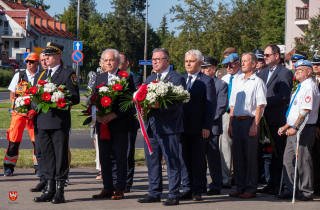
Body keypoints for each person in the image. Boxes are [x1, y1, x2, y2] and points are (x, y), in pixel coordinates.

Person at [137, 48, 186, 206]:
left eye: (158, 59)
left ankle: (173, 194)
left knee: (171, 161)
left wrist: (158, 106)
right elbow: (144, 97)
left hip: (169, 127)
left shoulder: (177, 78)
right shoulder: (150, 77)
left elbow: (178, 103)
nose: (155, 62)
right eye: (153, 59)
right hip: (151, 127)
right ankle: (154, 192)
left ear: (167, 61)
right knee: (152, 161)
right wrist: (143, 106)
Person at [33, 42, 80, 204]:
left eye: (50, 55)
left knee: (60, 156)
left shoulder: (68, 74)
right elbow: (33, 96)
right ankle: (49, 189)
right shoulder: (41, 75)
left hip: (59, 121)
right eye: (45, 55)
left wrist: (57, 98)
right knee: (46, 156)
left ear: (59, 56)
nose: (46, 58)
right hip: (42, 122)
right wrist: (35, 105)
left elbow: (74, 97)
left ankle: (60, 192)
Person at [91, 49, 135, 200]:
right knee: (104, 157)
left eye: (111, 60)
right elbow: (93, 99)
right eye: (106, 60)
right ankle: (107, 187)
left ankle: (119, 188)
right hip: (102, 124)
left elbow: (131, 104)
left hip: (120, 124)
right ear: (102, 62)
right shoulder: (99, 78)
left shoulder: (126, 78)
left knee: (120, 157)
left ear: (118, 62)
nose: (108, 63)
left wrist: (114, 114)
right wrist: (97, 116)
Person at [275, 60, 320, 201]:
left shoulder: (309, 87)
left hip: (304, 129)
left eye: (300, 69)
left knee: (303, 160)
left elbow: (306, 110)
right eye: (296, 69)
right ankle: (291, 188)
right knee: (288, 159)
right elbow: (295, 110)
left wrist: (295, 127)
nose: (297, 71)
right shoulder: (300, 87)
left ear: (309, 71)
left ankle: (306, 191)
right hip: (293, 129)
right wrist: (287, 125)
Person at [228, 52, 267, 199]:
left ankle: (251, 189)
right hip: (237, 121)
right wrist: (230, 124)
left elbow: (260, 106)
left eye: (245, 61)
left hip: (249, 121)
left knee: (250, 157)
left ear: (254, 64)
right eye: (242, 61)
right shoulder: (237, 81)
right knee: (237, 156)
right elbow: (232, 104)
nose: (242, 63)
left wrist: (254, 125)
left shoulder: (257, 82)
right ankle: (240, 186)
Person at [179, 50, 216, 201]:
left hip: (199, 128)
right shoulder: (180, 79)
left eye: (191, 61)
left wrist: (207, 126)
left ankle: (197, 189)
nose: (188, 64)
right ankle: (187, 188)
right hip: (182, 127)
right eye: (186, 61)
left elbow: (210, 105)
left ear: (200, 63)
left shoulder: (207, 81)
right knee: (184, 159)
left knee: (198, 159)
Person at [257, 44, 293, 195]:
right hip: (263, 119)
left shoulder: (284, 72)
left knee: (278, 152)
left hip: (276, 118)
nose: (264, 58)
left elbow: (284, 95)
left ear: (276, 56)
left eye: (267, 55)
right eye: (264, 55)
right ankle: (271, 182)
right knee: (267, 153)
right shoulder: (263, 72)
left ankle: (279, 183)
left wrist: (264, 101)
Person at [110, 52, 142, 193]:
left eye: (119, 61)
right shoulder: (109, 78)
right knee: (112, 154)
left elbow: (132, 101)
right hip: (111, 122)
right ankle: (114, 181)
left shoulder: (134, 79)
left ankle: (127, 183)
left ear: (126, 64)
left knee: (127, 154)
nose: (116, 63)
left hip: (127, 123)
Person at [4, 53, 40, 176]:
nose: (29, 63)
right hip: (18, 113)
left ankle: (38, 167)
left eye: (32, 61)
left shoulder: (42, 76)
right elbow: (12, 96)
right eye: (27, 61)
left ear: (37, 63)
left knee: (37, 140)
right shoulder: (19, 75)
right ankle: (9, 167)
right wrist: (19, 105)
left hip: (34, 114)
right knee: (13, 139)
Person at [201, 55, 228, 195]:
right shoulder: (198, 83)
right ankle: (200, 185)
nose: (204, 71)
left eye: (207, 68)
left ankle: (216, 185)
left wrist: (206, 122)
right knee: (199, 158)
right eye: (203, 68)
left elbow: (221, 107)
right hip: (199, 127)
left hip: (212, 127)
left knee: (213, 158)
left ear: (214, 69)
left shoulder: (221, 84)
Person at [220, 53, 242, 189]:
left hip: (240, 114)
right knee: (225, 146)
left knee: (239, 147)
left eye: (231, 64)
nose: (228, 67)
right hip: (226, 113)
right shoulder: (224, 78)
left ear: (238, 64)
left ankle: (239, 178)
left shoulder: (242, 78)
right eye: (226, 65)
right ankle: (226, 178)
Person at [30, 50, 47, 192]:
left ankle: (53, 181)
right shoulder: (38, 76)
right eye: (42, 60)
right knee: (39, 151)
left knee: (51, 153)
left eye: (46, 59)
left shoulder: (62, 74)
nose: (44, 62)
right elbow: (34, 96)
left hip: (53, 121)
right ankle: (42, 179)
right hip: (38, 119)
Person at [88, 59, 104, 180]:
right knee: (96, 139)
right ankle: (100, 167)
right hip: (97, 113)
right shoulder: (95, 76)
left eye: (109, 60)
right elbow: (91, 93)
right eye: (104, 61)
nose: (105, 63)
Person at [311, 52, 320, 195]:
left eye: (318, 64)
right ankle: (316, 184)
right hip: (311, 123)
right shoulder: (310, 81)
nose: (316, 66)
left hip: (318, 124)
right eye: (313, 64)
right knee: (313, 156)